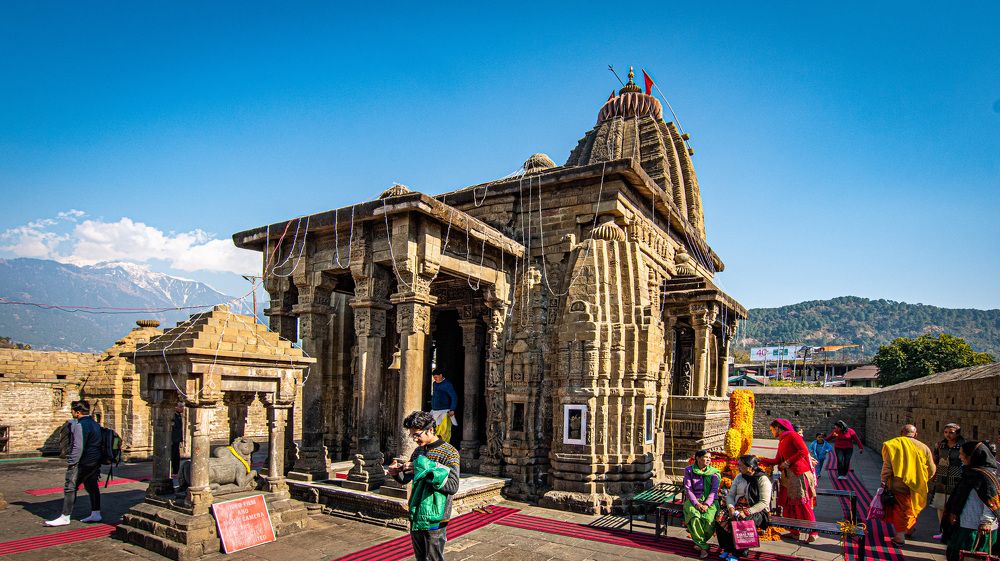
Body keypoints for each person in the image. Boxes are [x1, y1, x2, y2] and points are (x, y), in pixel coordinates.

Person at [387, 411, 460, 561]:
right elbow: (406, 479)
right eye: (412, 435)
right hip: (417, 511)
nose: (415, 439)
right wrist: (396, 473)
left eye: (418, 435)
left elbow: (453, 485)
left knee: (433, 557)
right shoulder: (418, 451)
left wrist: (424, 469)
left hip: (436, 515)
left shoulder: (449, 452)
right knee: (420, 557)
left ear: (431, 430)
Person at [45, 400, 103, 526]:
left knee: (70, 487)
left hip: (82, 462)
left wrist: (72, 463)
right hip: (94, 462)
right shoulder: (95, 424)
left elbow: (78, 447)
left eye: (72, 410)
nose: (71, 412)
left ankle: (65, 516)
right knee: (92, 486)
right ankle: (96, 512)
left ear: (77, 412)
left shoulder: (79, 425)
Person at [760, 418, 818, 542]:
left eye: (772, 429)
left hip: (798, 474)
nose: (771, 432)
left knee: (802, 503)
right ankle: (794, 531)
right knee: (788, 504)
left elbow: (804, 451)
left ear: (779, 428)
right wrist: (760, 459)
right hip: (788, 476)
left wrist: (788, 461)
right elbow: (777, 460)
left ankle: (813, 531)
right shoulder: (782, 440)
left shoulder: (792, 435)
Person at [941, 441, 1000, 561]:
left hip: (977, 527)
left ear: (973, 456)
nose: (960, 457)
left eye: (962, 454)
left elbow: (991, 501)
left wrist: (986, 521)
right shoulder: (971, 472)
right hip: (964, 522)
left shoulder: (985, 476)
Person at [880, 424, 936, 545]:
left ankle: (900, 536)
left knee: (901, 509)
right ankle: (909, 529)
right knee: (911, 508)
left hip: (899, 483)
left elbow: (887, 466)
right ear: (915, 434)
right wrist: (923, 479)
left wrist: (884, 480)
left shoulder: (893, 444)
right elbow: (931, 468)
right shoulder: (923, 447)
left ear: (901, 432)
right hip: (917, 484)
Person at [716, 455, 773, 561]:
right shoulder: (739, 477)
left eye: (741, 466)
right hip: (737, 507)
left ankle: (739, 553)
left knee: (742, 520)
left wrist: (747, 512)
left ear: (750, 467)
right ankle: (727, 548)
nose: (738, 467)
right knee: (720, 516)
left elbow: (764, 503)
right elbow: (731, 495)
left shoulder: (762, 479)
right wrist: (731, 507)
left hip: (756, 510)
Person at [683, 449, 721, 558]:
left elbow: (714, 491)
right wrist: (697, 504)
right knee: (694, 517)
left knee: (708, 520)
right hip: (693, 500)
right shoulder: (689, 470)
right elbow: (688, 489)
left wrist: (706, 504)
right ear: (698, 458)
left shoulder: (714, 473)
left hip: (711, 501)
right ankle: (703, 547)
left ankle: (699, 543)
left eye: (710, 457)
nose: (709, 459)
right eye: (706, 457)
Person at [932, 423, 967, 539]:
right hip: (942, 479)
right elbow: (935, 459)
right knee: (941, 506)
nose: (948, 435)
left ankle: (954, 532)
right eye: (946, 432)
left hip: (956, 480)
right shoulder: (940, 445)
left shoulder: (963, 446)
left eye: (951, 432)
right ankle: (942, 531)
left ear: (957, 433)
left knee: (954, 507)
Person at [429, 371, 458, 443]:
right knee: (433, 430)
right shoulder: (434, 383)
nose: (435, 379)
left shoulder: (447, 384)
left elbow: (454, 397)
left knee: (444, 431)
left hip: (444, 411)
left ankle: (444, 447)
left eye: (436, 377)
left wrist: (452, 409)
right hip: (435, 411)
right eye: (434, 377)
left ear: (441, 375)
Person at [171, 403, 184, 477]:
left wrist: (180, 439)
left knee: (176, 456)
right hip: (173, 440)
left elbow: (179, 429)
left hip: (177, 439)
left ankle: (176, 471)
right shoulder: (173, 416)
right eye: (181, 407)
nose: (182, 408)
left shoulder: (179, 416)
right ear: (176, 407)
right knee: (173, 455)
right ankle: (173, 471)